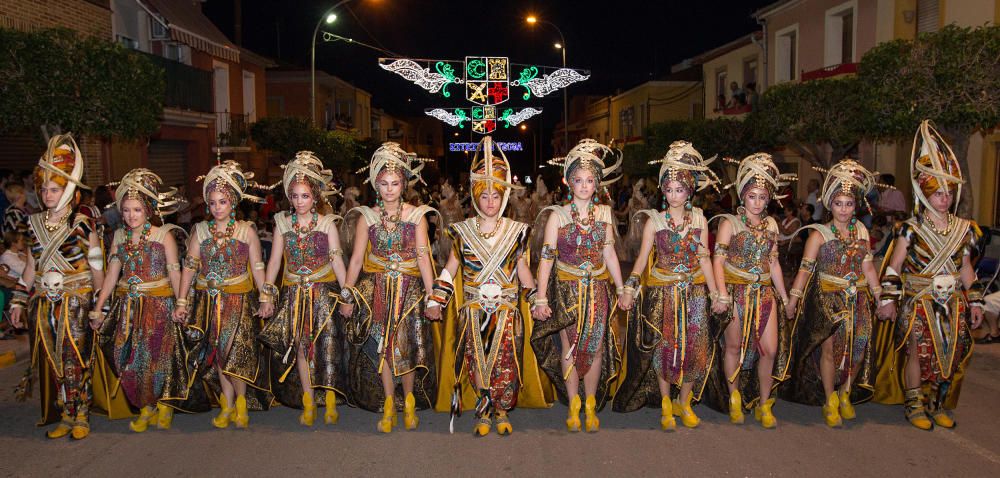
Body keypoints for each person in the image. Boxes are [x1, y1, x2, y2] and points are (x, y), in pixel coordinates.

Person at [428, 136, 547, 436]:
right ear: (475, 196)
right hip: (473, 311)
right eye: (485, 196)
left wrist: (537, 299)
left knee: (506, 362)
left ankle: (502, 410)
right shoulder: (462, 232)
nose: (491, 202)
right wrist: (436, 300)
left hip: (507, 311)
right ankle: (483, 412)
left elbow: (523, 271)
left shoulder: (518, 232)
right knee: (477, 363)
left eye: (496, 195)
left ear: (504, 197)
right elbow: (450, 268)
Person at [874, 120, 984, 430]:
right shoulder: (910, 229)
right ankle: (914, 405)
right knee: (917, 353)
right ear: (925, 194)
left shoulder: (965, 229)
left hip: (952, 302)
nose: (944, 198)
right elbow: (894, 265)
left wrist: (975, 301)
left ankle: (939, 403)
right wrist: (888, 300)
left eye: (948, 192)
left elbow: (966, 268)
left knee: (950, 355)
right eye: (938, 193)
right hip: (918, 299)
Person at [613, 141, 721, 430]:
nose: (674, 195)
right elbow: (641, 260)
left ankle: (683, 402)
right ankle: (664, 402)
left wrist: (716, 293)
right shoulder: (654, 221)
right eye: (669, 189)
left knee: (696, 348)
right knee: (666, 347)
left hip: (696, 292)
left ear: (690, 191)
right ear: (663, 189)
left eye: (680, 189)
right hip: (663, 293)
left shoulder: (699, 218)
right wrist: (629, 287)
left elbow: (705, 259)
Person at [9, 135, 105, 439]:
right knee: (54, 360)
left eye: (55, 189)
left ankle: (82, 413)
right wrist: (17, 301)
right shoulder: (33, 222)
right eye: (45, 189)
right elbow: (29, 267)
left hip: (77, 301)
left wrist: (99, 305)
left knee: (76, 355)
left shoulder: (82, 224)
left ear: (70, 191)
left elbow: (96, 268)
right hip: (45, 303)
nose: (48, 195)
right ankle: (66, 411)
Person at [340, 143, 438, 433]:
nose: (390, 189)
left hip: (409, 292)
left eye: (395, 183)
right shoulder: (366, 217)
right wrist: (347, 293)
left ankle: (407, 401)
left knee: (405, 348)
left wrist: (433, 296)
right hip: (377, 291)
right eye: (383, 184)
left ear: (404, 184)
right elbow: (357, 259)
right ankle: (388, 402)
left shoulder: (417, 215)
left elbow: (423, 257)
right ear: (375, 184)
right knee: (381, 346)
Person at [531, 138, 626, 433]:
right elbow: (547, 257)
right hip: (566, 291)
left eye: (589, 180)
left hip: (597, 290)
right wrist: (542, 297)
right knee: (570, 349)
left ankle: (590, 402)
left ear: (597, 183)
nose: (584, 185)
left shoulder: (605, 215)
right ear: (569, 182)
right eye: (578, 180)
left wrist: (622, 289)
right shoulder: (556, 216)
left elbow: (609, 253)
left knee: (595, 349)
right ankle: (573, 404)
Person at [783, 159, 882, 427]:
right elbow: (804, 270)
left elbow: (868, 266)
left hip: (858, 300)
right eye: (838, 204)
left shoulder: (861, 230)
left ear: (856, 205)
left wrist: (878, 294)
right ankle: (830, 400)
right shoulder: (819, 234)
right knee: (829, 352)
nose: (844, 209)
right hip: (828, 300)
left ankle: (845, 393)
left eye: (849, 204)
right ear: (830, 204)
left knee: (858, 351)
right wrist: (793, 299)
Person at [91, 169, 192, 433]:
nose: (131, 215)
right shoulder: (119, 237)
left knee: (157, 357)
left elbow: (175, 271)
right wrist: (99, 306)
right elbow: (112, 275)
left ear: (147, 210)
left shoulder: (163, 236)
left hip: (159, 307)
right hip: (127, 308)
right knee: (130, 358)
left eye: (136, 209)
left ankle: (163, 406)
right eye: (126, 210)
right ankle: (145, 407)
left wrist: (181, 303)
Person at [174, 161, 272, 429]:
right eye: (213, 202)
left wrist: (265, 297)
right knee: (217, 352)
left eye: (223, 202)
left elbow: (258, 267)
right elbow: (190, 267)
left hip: (238, 300)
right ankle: (227, 403)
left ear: (233, 203)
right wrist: (182, 300)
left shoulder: (246, 230)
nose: (218, 207)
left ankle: (241, 401)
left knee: (232, 351)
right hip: (209, 302)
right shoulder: (201, 231)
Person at [258, 152, 349, 427]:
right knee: (300, 347)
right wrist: (267, 294)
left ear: (316, 196)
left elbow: (336, 260)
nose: (299, 202)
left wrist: (347, 295)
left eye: (305, 196)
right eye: (295, 196)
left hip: (324, 293)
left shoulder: (327, 223)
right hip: (293, 294)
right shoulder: (281, 223)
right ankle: (308, 401)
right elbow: (274, 261)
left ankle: (330, 400)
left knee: (327, 346)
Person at [706, 152, 793, 429]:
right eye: (752, 196)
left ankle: (765, 403)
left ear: (769, 199)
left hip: (764, 294)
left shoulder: (771, 225)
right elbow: (717, 260)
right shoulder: (729, 223)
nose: (757, 202)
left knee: (769, 349)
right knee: (733, 346)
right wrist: (721, 294)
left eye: (762, 197)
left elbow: (774, 263)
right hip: (736, 293)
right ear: (743, 196)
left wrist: (785, 295)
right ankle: (734, 398)